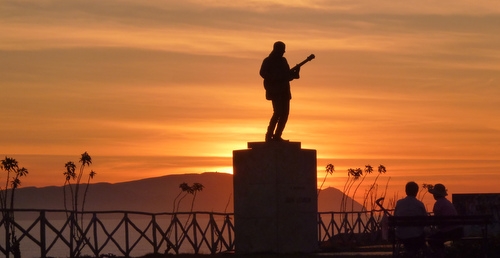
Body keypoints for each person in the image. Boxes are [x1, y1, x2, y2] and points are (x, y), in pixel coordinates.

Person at [259, 41, 300, 142]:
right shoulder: (268, 61)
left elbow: (287, 76)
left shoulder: (283, 61)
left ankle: (277, 135)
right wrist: (275, 78)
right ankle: (269, 135)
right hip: (275, 91)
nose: (283, 52)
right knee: (278, 112)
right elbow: (263, 73)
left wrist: (295, 73)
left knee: (285, 114)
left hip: (284, 91)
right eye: (282, 50)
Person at [427, 183, 463, 257]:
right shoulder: (448, 202)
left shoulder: (438, 204)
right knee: (436, 238)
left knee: (431, 239)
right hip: (458, 230)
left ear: (436, 195)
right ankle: (442, 253)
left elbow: (437, 220)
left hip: (449, 231)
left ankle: (441, 254)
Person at [394, 181, 428, 256]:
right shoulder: (419, 204)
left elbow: (395, 217)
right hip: (417, 235)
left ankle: (411, 252)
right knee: (422, 235)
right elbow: (425, 220)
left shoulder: (399, 203)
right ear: (416, 192)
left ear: (406, 191)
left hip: (401, 234)